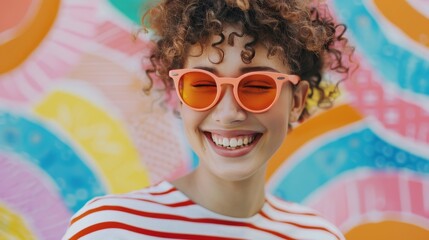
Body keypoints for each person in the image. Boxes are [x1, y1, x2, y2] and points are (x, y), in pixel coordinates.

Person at [63, 0, 353, 239]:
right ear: (179, 94)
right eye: (202, 85)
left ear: (297, 101)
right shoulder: (109, 229)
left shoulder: (319, 235)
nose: (228, 114)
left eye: (257, 86)